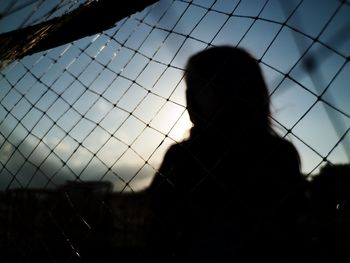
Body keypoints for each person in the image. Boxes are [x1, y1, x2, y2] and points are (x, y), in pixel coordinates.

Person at [147, 46, 308, 262]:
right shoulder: (181, 155)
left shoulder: (276, 155)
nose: (189, 99)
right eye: (189, 89)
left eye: (200, 88)